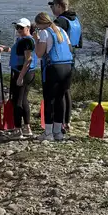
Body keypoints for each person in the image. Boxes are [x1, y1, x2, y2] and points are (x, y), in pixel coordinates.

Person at [34, 12, 73, 142]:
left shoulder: (45, 32)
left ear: (40, 23)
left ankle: (48, 133)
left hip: (53, 69)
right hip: (67, 67)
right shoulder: (62, 31)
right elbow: (69, 48)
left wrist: (36, 40)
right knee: (60, 99)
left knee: (49, 100)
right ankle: (58, 132)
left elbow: (39, 53)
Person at [49, 0, 83, 132]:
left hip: (62, 58)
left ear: (59, 6)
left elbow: (52, 36)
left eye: (52, 6)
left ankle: (61, 121)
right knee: (66, 89)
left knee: (60, 91)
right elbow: (79, 42)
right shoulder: (76, 20)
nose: (51, 9)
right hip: (72, 55)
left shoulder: (61, 21)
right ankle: (67, 121)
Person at [8, 18, 37, 137]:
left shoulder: (27, 41)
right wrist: (6, 49)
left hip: (23, 72)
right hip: (24, 72)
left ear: (28, 28)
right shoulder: (23, 40)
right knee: (24, 99)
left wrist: (20, 77)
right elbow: (19, 53)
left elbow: (28, 60)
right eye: (17, 27)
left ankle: (17, 129)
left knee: (17, 101)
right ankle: (27, 128)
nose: (19, 29)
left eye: (21, 27)